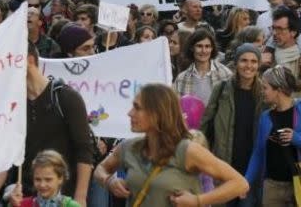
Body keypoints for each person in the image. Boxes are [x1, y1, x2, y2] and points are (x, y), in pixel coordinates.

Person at [93, 83, 249, 207]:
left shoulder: (187, 150)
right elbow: (100, 169)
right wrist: (109, 181)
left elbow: (240, 184)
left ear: (157, 113)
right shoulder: (129, 147)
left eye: (137, 107)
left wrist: (198, 201)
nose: (130, 113)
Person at [17, 45, 93, 206]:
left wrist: (80, 197)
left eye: (10, 61)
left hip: (64, 196)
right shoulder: (14, 104)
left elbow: (84, 149)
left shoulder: (66, 97)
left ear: (29, 60)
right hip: (27, 197)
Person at [245, 65, 301, 206]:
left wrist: (297, 138)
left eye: (265, 88)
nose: (262, 92)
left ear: (279, 89)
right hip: (272, 187)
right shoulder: (266, 117)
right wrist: (245, 182)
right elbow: (258, 153)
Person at [200, 43, 266, 207]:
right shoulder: (221, 89)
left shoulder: (265, 93)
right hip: (224, 165)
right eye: (244, 60)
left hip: (252, 167)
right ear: (236, 63)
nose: (248, 66)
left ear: (258, 65)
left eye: (253, 61)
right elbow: (205, 125)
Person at [266, 7, 301, 106]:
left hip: (298, 118)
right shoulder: (267, 57)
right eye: (273, 28)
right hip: (272, 118)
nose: (275, 33)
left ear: (293, 32)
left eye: (280, 29)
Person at [174, 28, 232, 106]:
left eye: (207, 46)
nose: (204, 50)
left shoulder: (225, 74)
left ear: (212, 48)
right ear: (192, 48)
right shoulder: (181, 78)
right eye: (199, 46)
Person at [9, 150, 80, 207]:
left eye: (48, 179)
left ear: (60, 178)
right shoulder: (22, 204)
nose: (42, 185)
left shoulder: (71, 205)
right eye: (38, 179)